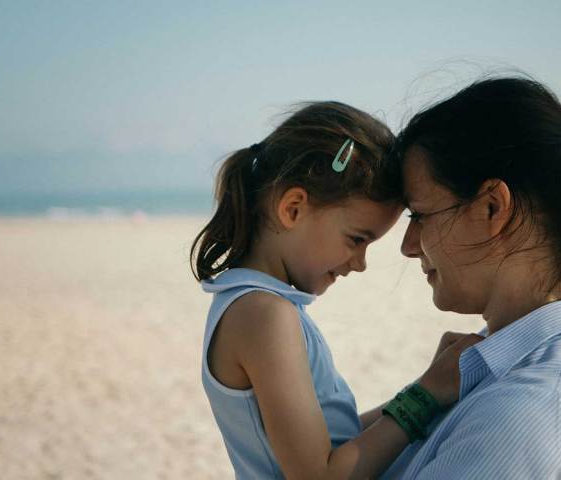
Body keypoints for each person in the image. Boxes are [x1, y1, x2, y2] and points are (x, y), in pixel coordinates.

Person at [384, 76, 561, 479]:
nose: (407, 245)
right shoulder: (519, 368)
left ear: (493, 207)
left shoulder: (522, 415)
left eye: (419, 215)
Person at [191, 101, 480, 479]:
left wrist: (427, 388)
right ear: (293, 209)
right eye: (357, 239)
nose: (359, 263)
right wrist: (426, 394)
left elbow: (333, 445)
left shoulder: (255, 305)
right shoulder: (263, 315)